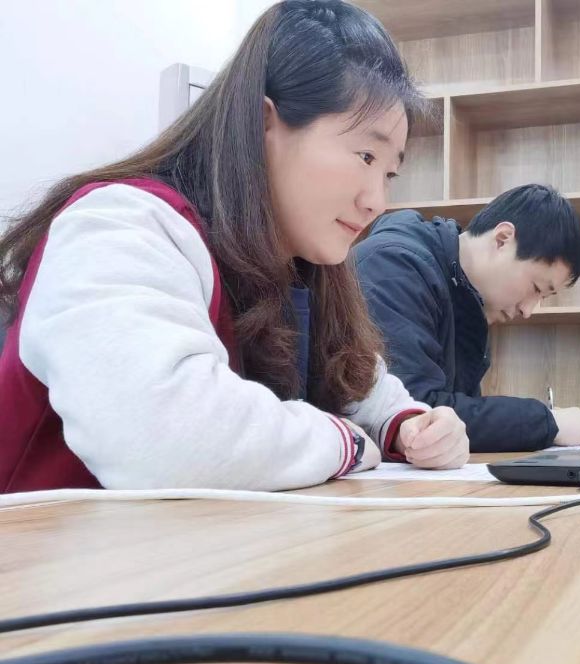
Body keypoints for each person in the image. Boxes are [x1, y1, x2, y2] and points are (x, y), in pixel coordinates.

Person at [0, 0, 469, 493]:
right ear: (264, 121)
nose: (377, 201)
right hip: (47, 542)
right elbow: (165, 440)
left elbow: (368, 391)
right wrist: (347, 442)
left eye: (390, 173)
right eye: (366, 156)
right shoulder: (121, 223)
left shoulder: (302, 266)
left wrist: (414, 427)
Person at [354, 184, 580, 453]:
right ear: (502, 239)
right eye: (536, 288)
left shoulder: (466, 299)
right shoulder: (394, 267)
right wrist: (549, 423)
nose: (528, 310)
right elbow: (415, 415)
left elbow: (453, 419)